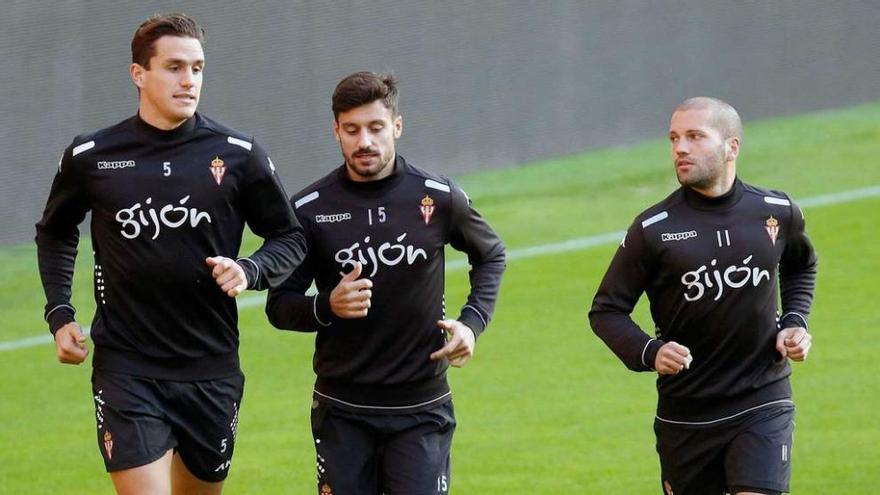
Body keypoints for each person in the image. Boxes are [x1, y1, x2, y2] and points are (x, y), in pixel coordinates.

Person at [35, 13, 306, 495]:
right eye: (175, 67)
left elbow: (290, 238)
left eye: (198, 68)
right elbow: (56, 232)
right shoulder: (92, 156)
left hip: (211, 368)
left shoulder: (239, 155)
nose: (189, 80)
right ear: (139, 74)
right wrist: (60, 312)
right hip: (127, 367)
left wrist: (250, 269)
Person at [266, 71, 506, 494]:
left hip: (421, 407)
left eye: (376, 128)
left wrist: (472, 323)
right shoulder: (309, 210)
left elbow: (490, 254)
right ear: (335, 130)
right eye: (352, 130)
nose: (365, 142)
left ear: (397, 126)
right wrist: (326, 306)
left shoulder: (438, 197)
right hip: (342, 410)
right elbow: (279, 304)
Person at [589, 97, 817, 495]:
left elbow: (800, 266)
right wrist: (650, 352)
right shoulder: (653, 229)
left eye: (695, 136)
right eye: (675, 138)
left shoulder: (776, 211)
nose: (680, 148)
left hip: (762, 399)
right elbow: (606, 310)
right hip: (687, 415)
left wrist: (794, 322)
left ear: (732, 147)